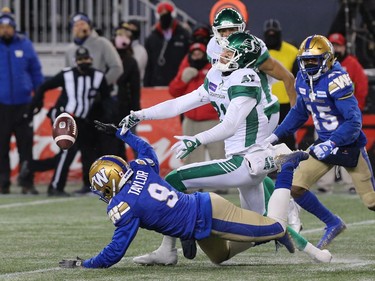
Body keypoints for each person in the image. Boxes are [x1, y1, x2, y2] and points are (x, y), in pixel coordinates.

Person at [119, 32, 301, 265]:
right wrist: (140, 115)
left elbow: (230, 125)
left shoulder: (246, 78)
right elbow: (179, 103)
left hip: (244, 160)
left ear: (244, 59)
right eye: (224, 50)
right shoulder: (218, 75)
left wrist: (197, 139)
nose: (222, 55)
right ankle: (279, 230)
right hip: (244, 159)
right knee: (250, 230)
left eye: (229, 52)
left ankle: (169, 248)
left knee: (176, 178)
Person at [58, 123, 332, 269]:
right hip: (199, 222)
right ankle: (263, 236)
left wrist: (87, 265)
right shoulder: (141, 169)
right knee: (219, 258)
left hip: (209, 213)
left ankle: (287, 166)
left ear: (108, 184)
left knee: (277, 225)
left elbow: (116, 251)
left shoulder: (124, 205)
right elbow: (147, 151)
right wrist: (122, 134)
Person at [266, 35, 375, 249]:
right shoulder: (303, 79)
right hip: (324, 142)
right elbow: (299, 112)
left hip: (348, 144)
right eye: (305, 61)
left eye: (313, 61)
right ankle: (332, 222)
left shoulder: (337, 80)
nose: (308, 65)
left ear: (327, 59)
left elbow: (354, 122)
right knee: (295, 187)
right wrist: (276, 135)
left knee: (371, 201)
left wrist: (333, 143)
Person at [207, 7, 302, 233]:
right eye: (224, 30)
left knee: (250, 167)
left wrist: (295, 119)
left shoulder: (251, 46)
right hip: (241, 111)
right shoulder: (212, 47)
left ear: (242, 30)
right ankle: (278, 210)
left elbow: (288, 78)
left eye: (233, 30)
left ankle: (286, 203)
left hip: (263, 110)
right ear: (215, 31)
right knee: (250, 173)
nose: (229, 35)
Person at [25, 47, 113, 197]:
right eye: (80, 60)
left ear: (91, 60)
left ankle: (31, 167)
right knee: (68, 151)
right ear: (75, 62)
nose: (83, 62)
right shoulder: (67, 75)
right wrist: (35, 105)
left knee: (81, 151)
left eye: (86, 59)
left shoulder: (98, 76)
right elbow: (44, 87)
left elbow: (106, 99)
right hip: (64, 116)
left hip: (82, 119)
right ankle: (55, 187)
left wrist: (109, 118)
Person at [64, 12, 123, 193]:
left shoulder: (102, 44)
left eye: (83, 23)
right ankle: (89, 182)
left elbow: (116, 67)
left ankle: (116, 181)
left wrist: (100, 86)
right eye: (76, 24)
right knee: (86, 145)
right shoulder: (69, 50)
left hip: (102, 102)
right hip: (82, 104)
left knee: (107, 143)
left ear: (89, 25)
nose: (80, 27)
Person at [317, 32, 369, 194]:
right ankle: (324, 183)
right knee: (324, 146)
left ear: (344, 46)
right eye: (334, 45)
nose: (337, 48)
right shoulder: (324, 65)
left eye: (339, 45)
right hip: (328, 115)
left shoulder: (352, 64)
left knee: (349, 148)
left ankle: (352, 184)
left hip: (346, 116)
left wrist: (354, 109)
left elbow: (362, 86)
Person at [0, 12, 44, 195]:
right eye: (2, 27)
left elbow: (36, 71)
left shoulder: (25, 44)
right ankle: (3, 182)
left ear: (14, 28)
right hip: (1, 105)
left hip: (23, 104)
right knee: (1, 145)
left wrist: (39, 95)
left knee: (25, 146)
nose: (5, 30)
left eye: (8, 27)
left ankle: (27, 182)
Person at [168, 42, 225, 165]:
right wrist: (182, 80)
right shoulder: (187, 68)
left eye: (199, 53)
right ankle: (195, 185)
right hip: (191, 122)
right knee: (192, 161)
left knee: (219, 159)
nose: (197, 56)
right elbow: (173, 91)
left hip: (213, 121)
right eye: (194, 54)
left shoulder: (215, 68)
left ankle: (227, 185)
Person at [263, 18, 299, 150]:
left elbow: (299, 77)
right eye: (269, 34)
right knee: (265, 137)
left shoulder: (292, 51)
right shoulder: (259, 52)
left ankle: (291, 165)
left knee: (287, 137)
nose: (271, 36)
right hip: (265, 103)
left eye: (274, 33)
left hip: (286, 102)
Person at [143, 1, 190, 86]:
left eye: (167, 13)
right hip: (157, 82)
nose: (165, 17)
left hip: (178, 82)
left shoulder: (184, 35)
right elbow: (148, 64)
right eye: (162, 14)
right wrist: (146, 85)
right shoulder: (152, 37)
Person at [127, 19, 148, 84]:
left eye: (133, 28)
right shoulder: (122, 48)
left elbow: (133, 68)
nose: (130, 32)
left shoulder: (141, 50)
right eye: (128, 29)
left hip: (135, 85)